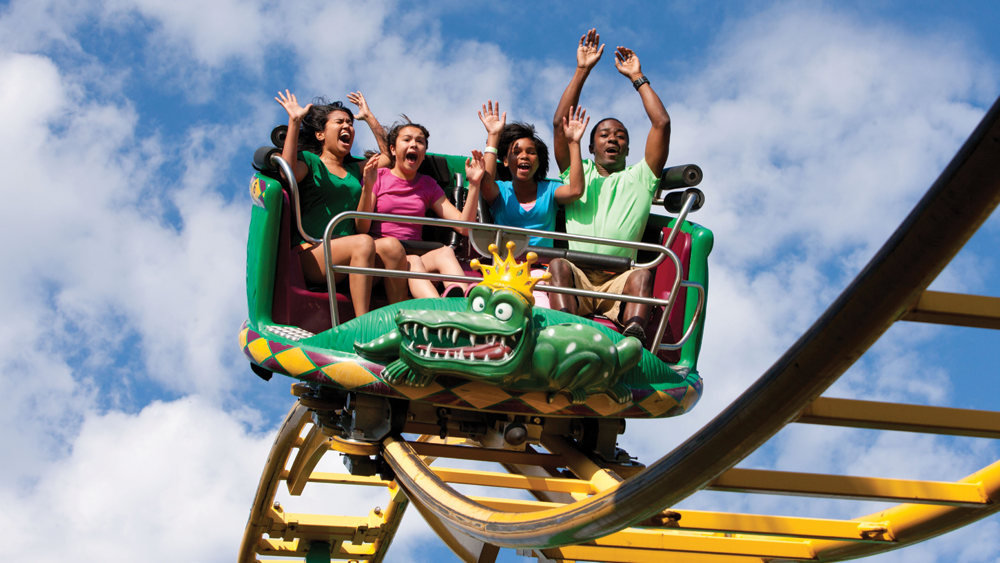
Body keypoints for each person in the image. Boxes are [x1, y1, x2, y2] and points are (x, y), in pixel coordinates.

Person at [547, 29, 672, 342]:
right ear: (590, 147)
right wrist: (582, 70)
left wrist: (638, 77)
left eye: (619, 136)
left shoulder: (640, 178)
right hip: (579, 277)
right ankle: (564, 331)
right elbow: (559, 125)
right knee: (558, 265)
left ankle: (634, 338)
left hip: (618, 280)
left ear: (628, 149)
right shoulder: (580, 171)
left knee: (642, 275)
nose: (612, 138)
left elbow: (662, 124)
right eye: (603, 134)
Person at [274, 90, 408, 317]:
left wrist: (368, 118)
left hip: (353, 254)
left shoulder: (355, 169)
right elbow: (287, 175)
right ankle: (362, 324)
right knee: (364, 243)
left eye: (350, 123)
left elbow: (389, 155)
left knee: (392, 247)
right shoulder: (310, 161)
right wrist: (294, 122)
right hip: (312, 251)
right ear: (320, 135)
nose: (347, 126)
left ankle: (399, 322)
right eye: (339, 122)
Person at [357, 120, 484, 299]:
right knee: (413, 261)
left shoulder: (428, 185)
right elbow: (361, 227)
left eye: (420, 141)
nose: (414, 145)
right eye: (407, 140)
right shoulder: (377, 176)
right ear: (393, 149)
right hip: (382, 257)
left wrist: (474, 185)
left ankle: (462, 303)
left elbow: (464, 227)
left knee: (445, 252)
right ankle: (437, 310)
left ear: (423, 154)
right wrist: (367, 187)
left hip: (413, 253)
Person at [475, 101, 588, 247]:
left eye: (531, 152)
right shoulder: (501, 190)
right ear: (505, 161)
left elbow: (576, 190)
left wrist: (574, 143)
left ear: (538, 161)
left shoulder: (550, 189)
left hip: (543, 265)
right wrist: (493, 135)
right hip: (506, 265)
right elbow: (486, 186)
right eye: (516, 152)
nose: (524, 156)